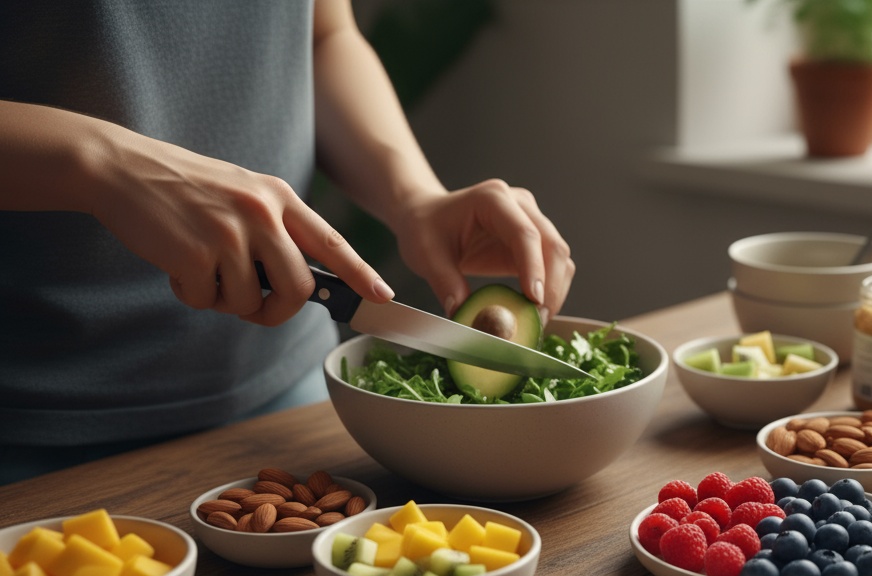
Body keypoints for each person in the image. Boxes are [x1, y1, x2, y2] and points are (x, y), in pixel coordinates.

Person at [0, 0, 574, 485]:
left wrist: (413, 195)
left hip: (291, 403)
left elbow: (323, 35)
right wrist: (101, 164)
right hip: (33, 428)